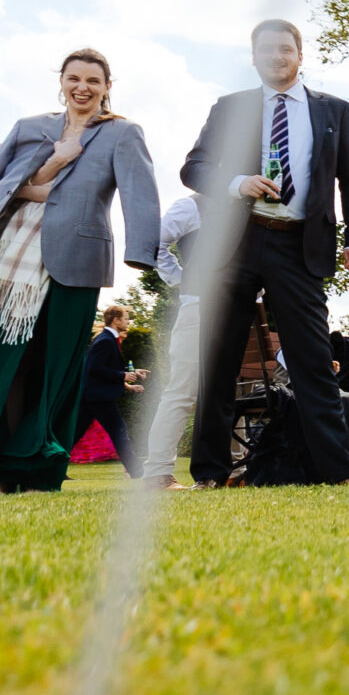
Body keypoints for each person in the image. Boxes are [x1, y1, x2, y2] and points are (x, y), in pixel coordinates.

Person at [180, 20, 349, 490]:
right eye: (266, 49)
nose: (276, 56)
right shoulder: (230, 108)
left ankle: (341, 472)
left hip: (299, 246)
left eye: (285, 49)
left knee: (312, 362)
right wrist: (237, 183)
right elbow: (194, 166)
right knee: (219, 359)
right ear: (253, 57)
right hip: (236, 242)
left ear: (300, 55)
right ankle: (210, 474)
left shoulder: (335, 111)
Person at [0, 49, 160, 493]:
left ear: (108, 86)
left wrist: (145, 254)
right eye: (74, 78)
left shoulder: (122, 133)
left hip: (78, 263)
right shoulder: (30, 128)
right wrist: (54, 162)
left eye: (93, 80)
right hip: (12, 263)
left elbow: (140, 194)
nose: (82, 87)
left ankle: (38, 473)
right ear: (61, 81)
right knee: (5, 366)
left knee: (56, 370)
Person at [139, 193, 205, 488]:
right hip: (199, 306)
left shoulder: (250, 203)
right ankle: (158, 472)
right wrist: (182, 279)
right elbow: (155, 244)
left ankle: (235, 469)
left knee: (235, 392)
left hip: (241, 311)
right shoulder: (191, 205)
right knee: (182, 392)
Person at [80, 304, 150, 475]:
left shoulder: (108, 339)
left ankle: (48, 467)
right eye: (126, 319)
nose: (128, 322)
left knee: (74, 434)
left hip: (93, 397)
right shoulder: (105, 340)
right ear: (116, 320)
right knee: (119, 432)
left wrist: (132, 371)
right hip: (99, 397)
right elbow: (94, 368)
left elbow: (107, 366)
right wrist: (122, 376)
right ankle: (136, 471)